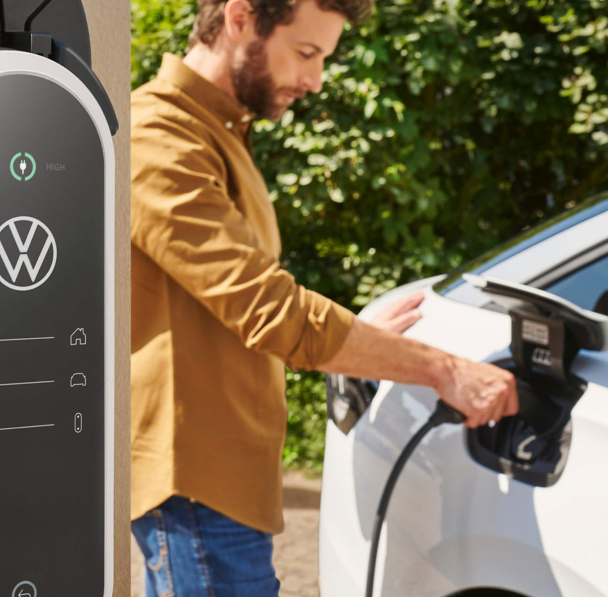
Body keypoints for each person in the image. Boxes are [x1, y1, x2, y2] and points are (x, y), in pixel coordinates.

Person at [129, 0, 520, 595]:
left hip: (221, 476)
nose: (313, 81)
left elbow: (237, 308)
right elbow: (271, 311)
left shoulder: (218, 131)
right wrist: (442, 371)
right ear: (240, 17)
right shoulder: (159, 136)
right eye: (306, 53)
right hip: (195, 478)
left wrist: (363, 337)